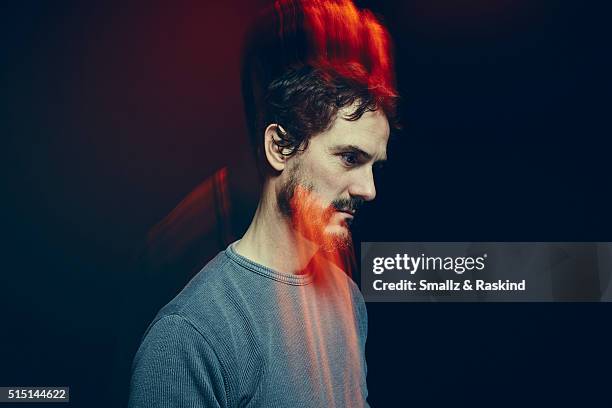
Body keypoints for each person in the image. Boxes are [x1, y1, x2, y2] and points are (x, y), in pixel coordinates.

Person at [128, 0, 398, 406]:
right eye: (349, 158)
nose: (369, 189)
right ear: (279, 146)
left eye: (373, 164)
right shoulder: (187, 336)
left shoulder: (348, 298)